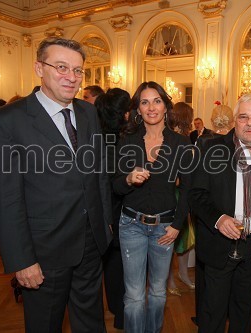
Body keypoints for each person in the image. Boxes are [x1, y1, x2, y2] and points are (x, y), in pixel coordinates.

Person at [0, 37, 113, 332]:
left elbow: (98, 174)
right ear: (38, 68)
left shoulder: (88, 112)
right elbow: (6, 199)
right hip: (43, 252)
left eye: (78, 70)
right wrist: (22, 259)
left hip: (91, 242)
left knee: (91, 322)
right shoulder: (6, 121)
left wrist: (105, 222)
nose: (72, 77)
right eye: (61, 67)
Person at [189, 93, 251, 333]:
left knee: (243, 307)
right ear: (235, 120)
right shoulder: (213, 149)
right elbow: (196, 195)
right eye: (244, 117)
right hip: (220, 243)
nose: (250, 123)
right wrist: (218, 219)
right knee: (213, 310)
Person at [113, 81, 193, 333]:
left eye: (156, 101)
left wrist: (177, 225)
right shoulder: (126, 140)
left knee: (158, 292)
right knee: (135, 295)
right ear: (137, 109)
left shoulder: (181, 143)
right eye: (144, 102)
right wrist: (127, 179)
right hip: (131, 225)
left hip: (164, 228)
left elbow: (189, 189)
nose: (151, 107)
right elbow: (114, 186)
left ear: (166, 107)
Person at [95, 87, 131, 330]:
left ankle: (112, 307)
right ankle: (120, 313)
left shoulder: (95, 137)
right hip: (119, 208)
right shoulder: (122, 141)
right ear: (125, 113)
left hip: (101, 209)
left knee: (109, 261)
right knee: (121, 261)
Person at [167, 102, 196, 296]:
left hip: (187, 194)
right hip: (173, 194)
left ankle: (183, 274)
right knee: (170, 239)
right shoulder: (171, 138)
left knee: (185, 239)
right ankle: (169, 280)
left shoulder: (187, 137)